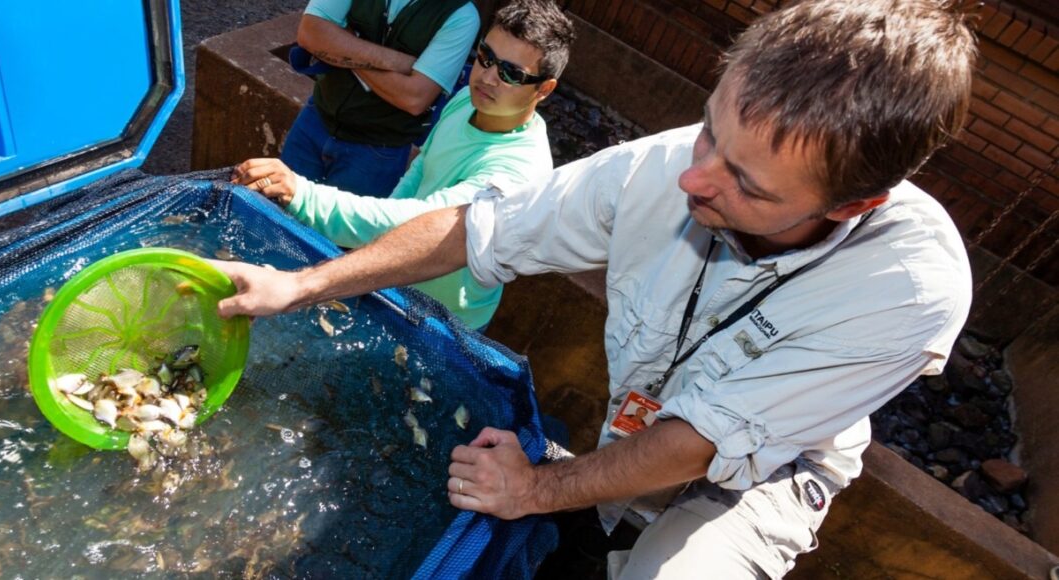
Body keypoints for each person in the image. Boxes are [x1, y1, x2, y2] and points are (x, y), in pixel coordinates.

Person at [214, 0, 976, 577]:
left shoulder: (907, 292)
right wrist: (300, 285)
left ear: (850, 206)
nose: (692, 178)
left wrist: (534, 488)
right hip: (634, 428)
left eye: (746, 182)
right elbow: (477, 228)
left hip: (757, 472)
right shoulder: (668, 165)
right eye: (710, 130)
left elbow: (702, 441)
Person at [232, 0, 575, 330]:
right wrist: (382, 245)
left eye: (511, 74)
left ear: (544, 89)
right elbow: (421, 169)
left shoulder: (517, 173)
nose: (488, 77)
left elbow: (421, 224)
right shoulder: (466, 103)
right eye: (486, 57)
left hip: (442, 321)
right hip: (394, 284)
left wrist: (302, 194)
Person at [280, 0, 480, 198]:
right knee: (274, 209)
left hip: (377, 150)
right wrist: (400, 62)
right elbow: (310, 33)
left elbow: (414, 98)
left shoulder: (462, 16)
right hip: (316, 118)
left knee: (339, 229)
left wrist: (344, 43)